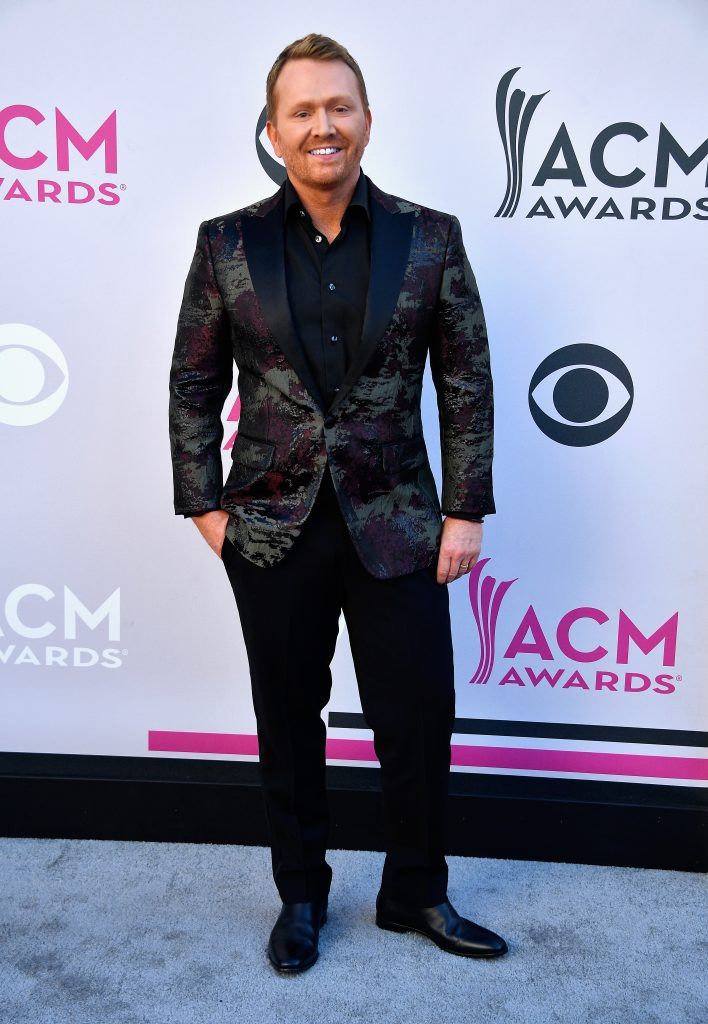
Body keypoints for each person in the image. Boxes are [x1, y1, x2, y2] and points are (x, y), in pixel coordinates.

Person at [168, 32, 508, 972]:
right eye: (303, 110)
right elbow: (192, 383)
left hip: (399, 522)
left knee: (418, 714)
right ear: (274, 132)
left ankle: (416, 894)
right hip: (269, 527)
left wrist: (465, 509)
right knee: (288, 718)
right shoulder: (226, 244)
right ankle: (302, 898)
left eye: (340, 106)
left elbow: (467, 381)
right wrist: (205, 506)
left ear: (366, 120)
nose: (325, 125)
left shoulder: (429, 236)